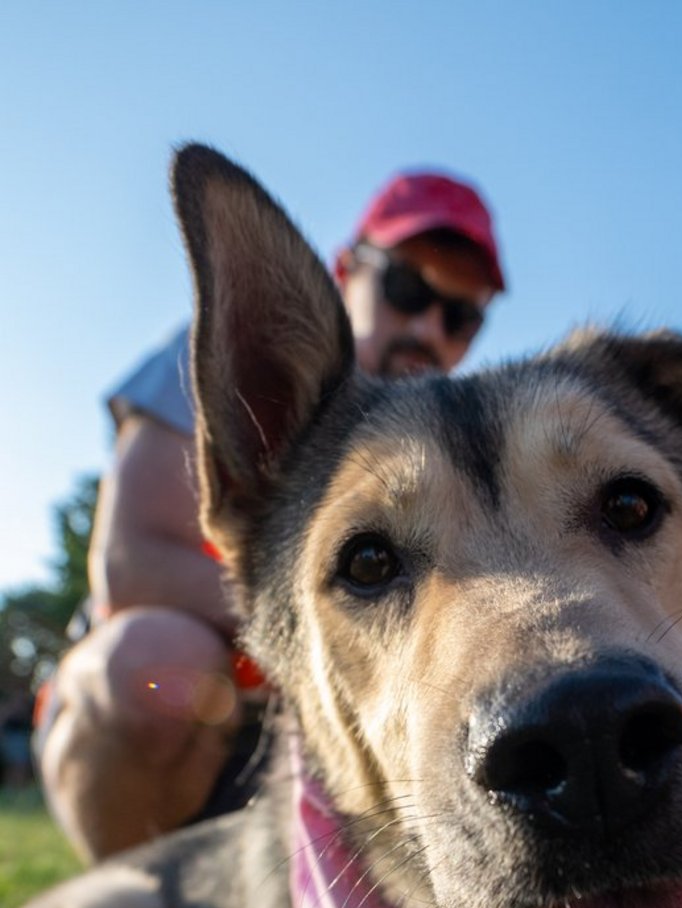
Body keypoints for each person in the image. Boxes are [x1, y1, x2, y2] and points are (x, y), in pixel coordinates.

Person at [37, 170, 506, 862]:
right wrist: (349, 610)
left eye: (461, 316)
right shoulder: (239, 361)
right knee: (149, 667)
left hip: (333, 726)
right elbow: (129, 565)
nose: (428, 329)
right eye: (407, 290)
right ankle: (136, 895)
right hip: (204, 702)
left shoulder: (455, 428)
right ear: (347, 269)